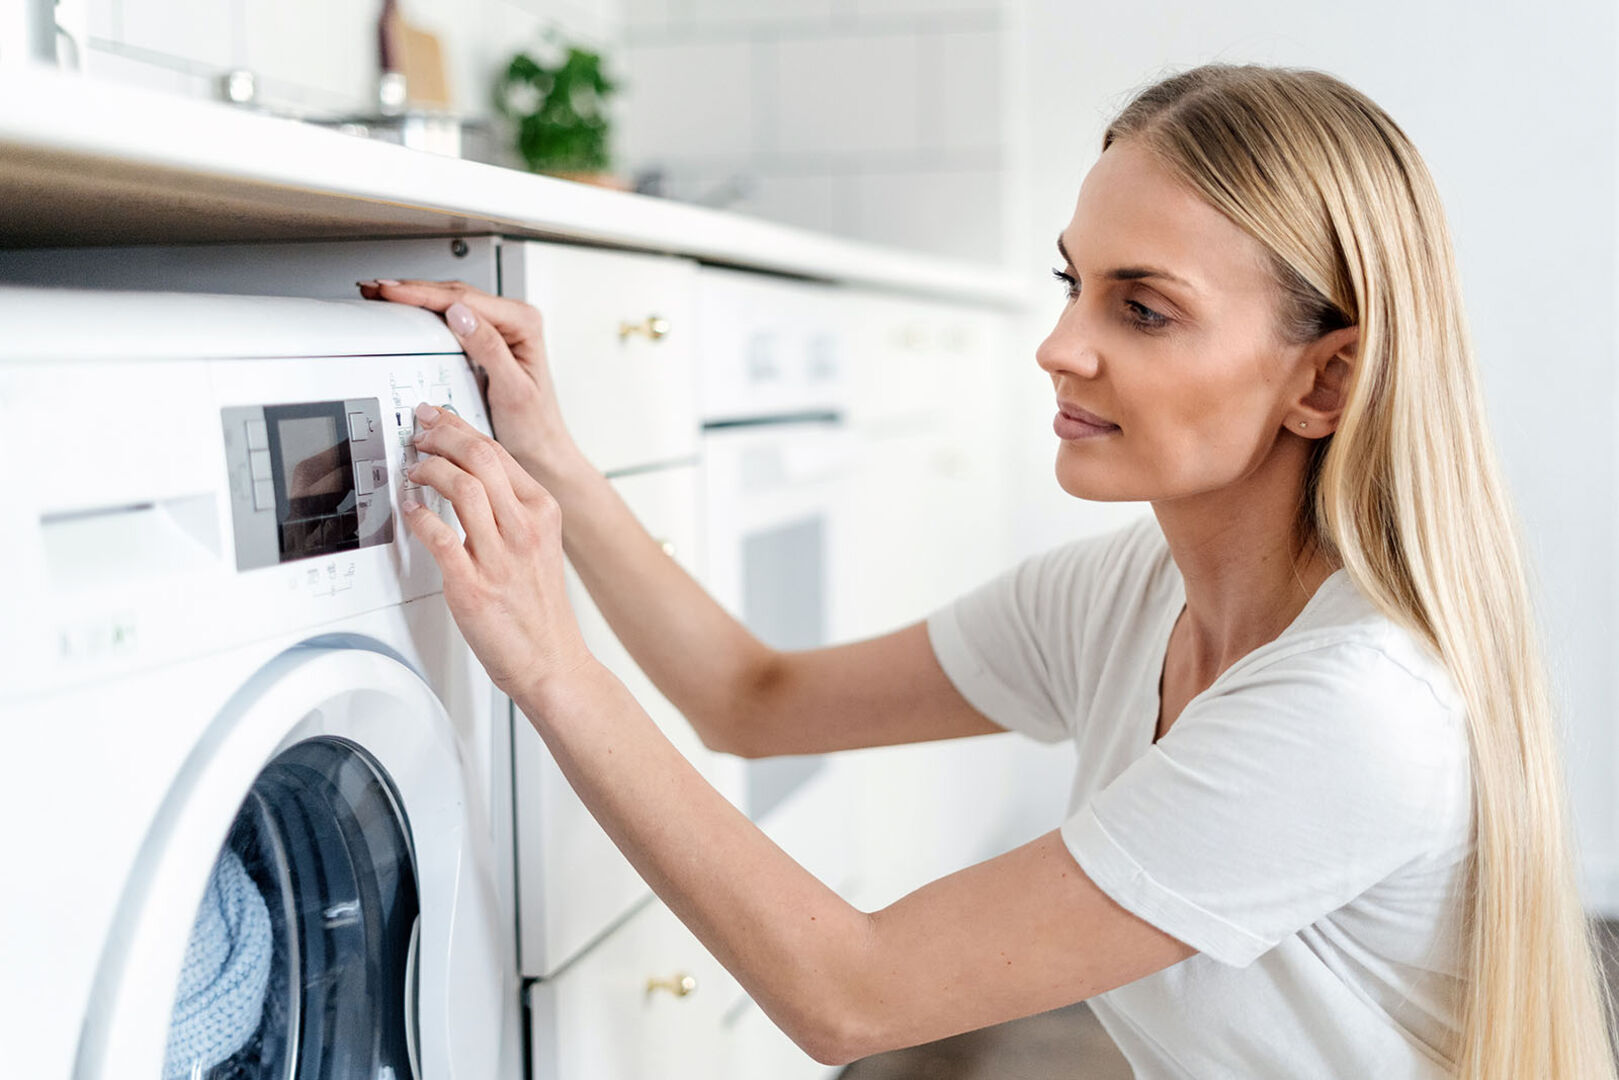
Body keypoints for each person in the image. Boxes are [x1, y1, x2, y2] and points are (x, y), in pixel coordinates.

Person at [358, 62, 1616, 1079]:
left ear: (1322, 380)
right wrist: (559, 467)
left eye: (1142, 308)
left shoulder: (1349, 712)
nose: (1058, 347)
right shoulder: (1127, 595)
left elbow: (851, 997)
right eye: (1073, 284)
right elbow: (753, 700)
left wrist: (549, 665)